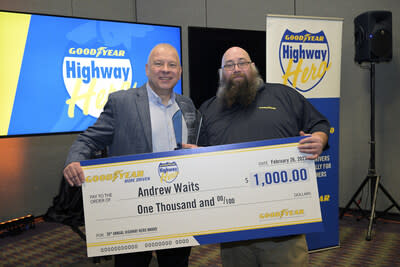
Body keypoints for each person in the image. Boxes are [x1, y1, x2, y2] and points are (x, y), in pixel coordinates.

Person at [63, 43, 198, 267]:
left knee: (176, 262)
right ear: (147, 69)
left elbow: (193, 145)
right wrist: (74, 160)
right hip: (133, 209)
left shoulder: (187, 104)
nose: (165, 69)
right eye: (159, 63)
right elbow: (88, 139)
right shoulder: (121, 102)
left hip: (177, 206)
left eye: (172, 65)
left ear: (180, 71)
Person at [197, 47, 330, 266]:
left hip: (283, 228)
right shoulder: (209, 109)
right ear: (222, 73)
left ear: (253, 67)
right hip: (234, 233)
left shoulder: (284, 95)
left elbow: (319, 123)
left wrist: (319, 138)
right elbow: (200, 155)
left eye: (242, 62)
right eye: (229, 65)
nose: (236, 68)